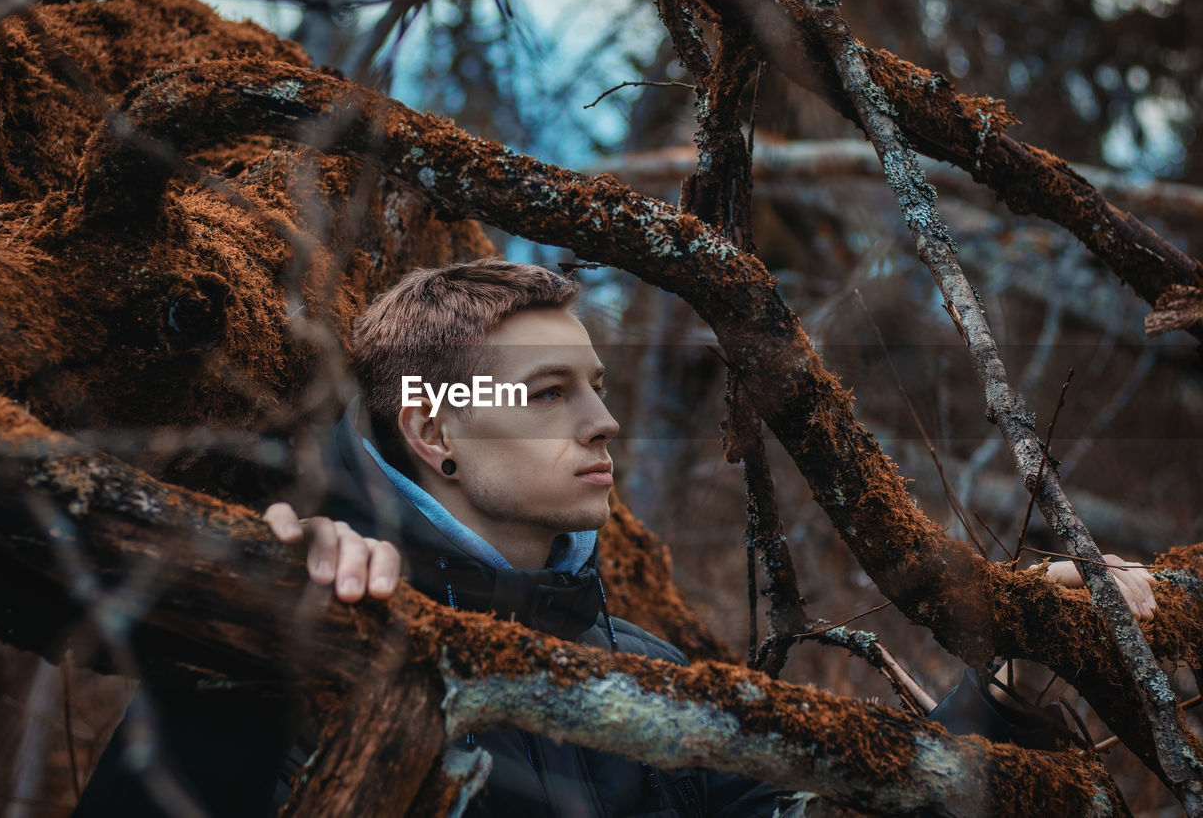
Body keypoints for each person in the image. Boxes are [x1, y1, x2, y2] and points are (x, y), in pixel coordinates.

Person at [75, 259, 1157, 817]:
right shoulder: (299, 617)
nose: (602, 419)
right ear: (435, 426)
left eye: (595, 383)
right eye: (547, 391)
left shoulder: (648, 678)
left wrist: (1006, 678)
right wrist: (233, 655)